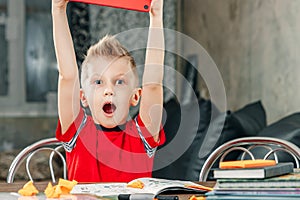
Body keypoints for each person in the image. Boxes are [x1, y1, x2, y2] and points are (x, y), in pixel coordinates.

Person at [51, 0, 165, 182]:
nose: (109, 90)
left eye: (119, 81)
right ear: (83, 97)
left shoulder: (142, 135)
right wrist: (58, 9)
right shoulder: (78, 132)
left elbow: (153, 85)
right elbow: (68, 76)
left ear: (135, 96)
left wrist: (156, 17)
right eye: (98, 82)